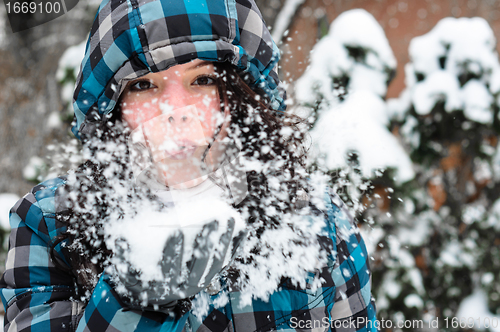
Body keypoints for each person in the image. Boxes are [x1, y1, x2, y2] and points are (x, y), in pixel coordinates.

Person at [0, 0, 378, 331]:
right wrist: (133, 303)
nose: (175, 111)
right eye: (144, 86)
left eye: (202, 79)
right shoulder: (52, 223)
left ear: (243, 97)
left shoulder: (314, 221)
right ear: (114, 110)